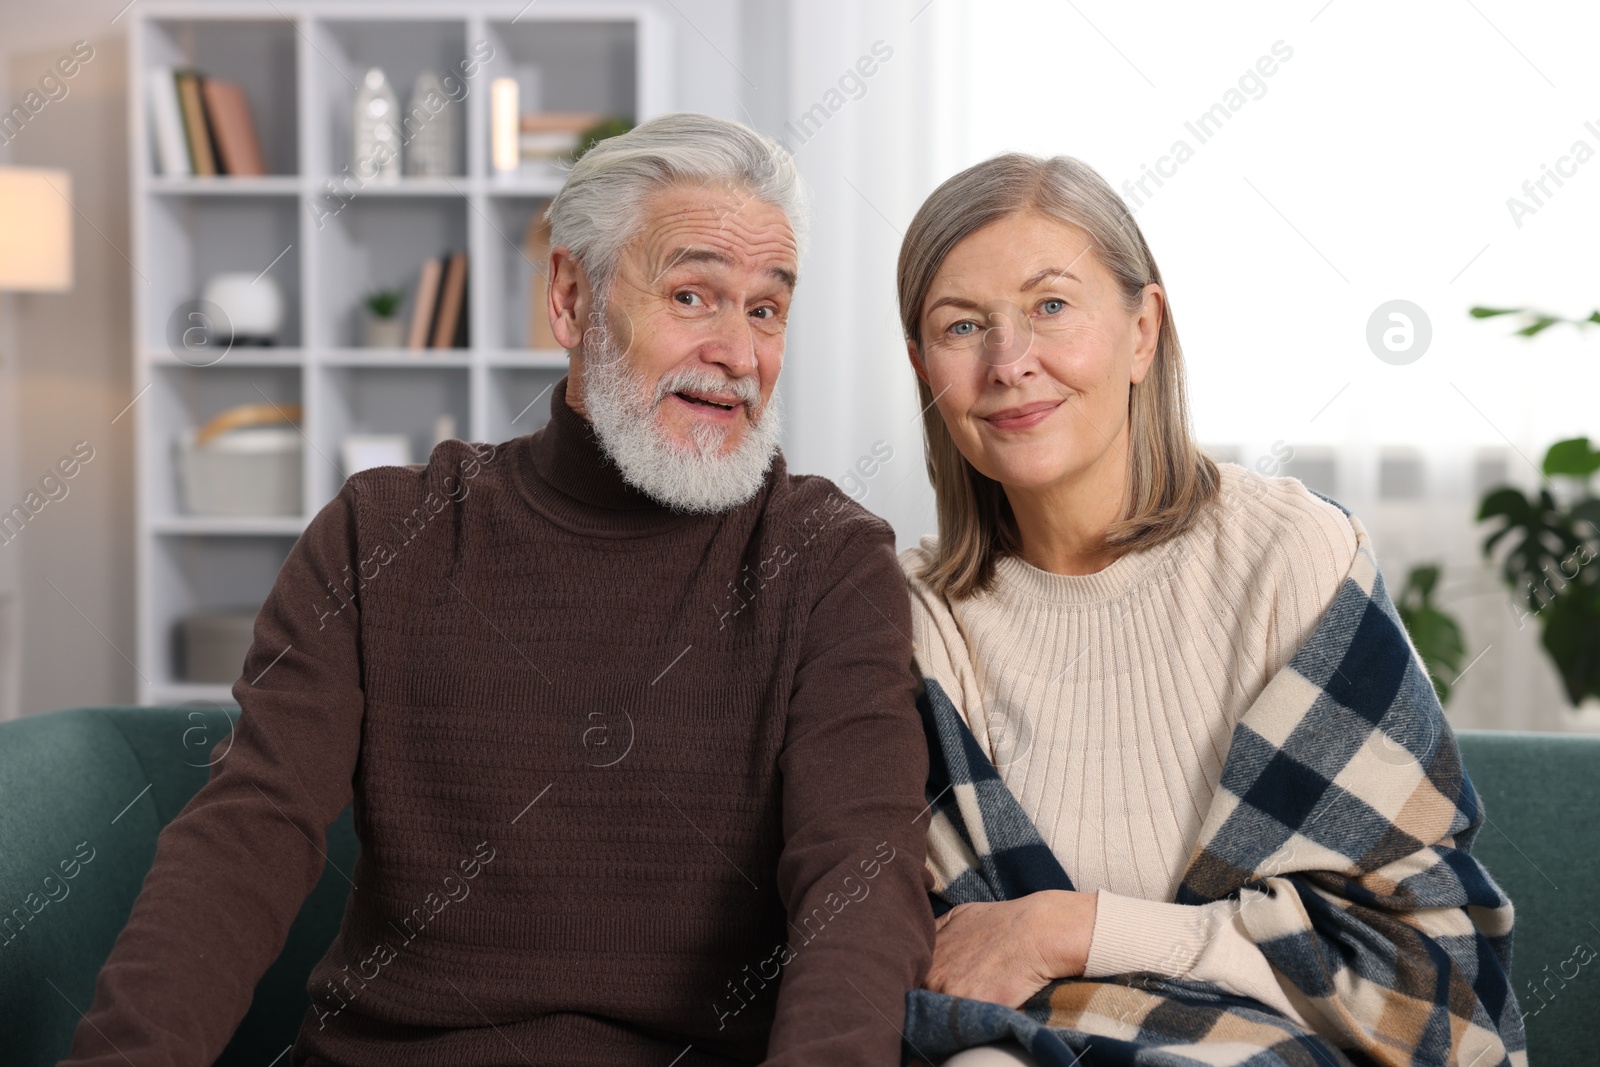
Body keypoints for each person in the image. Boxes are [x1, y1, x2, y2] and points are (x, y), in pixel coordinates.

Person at [60, 114, 934, 1067]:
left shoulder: (827, 559)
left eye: (767, 311)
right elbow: (248, 836)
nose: (739, 353)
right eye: (693, 295)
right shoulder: (384, 532)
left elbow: (859, 874)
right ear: (570, 298)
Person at [893, 153, 1523, 1065]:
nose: (1010, 362)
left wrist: (1073, 929)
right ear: (925, 370)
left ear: (1143, 329)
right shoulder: (916, 628)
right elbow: (922, 965)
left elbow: (1422, 970)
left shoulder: (1289, 557)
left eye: (1051, 306)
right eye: (962, 326)